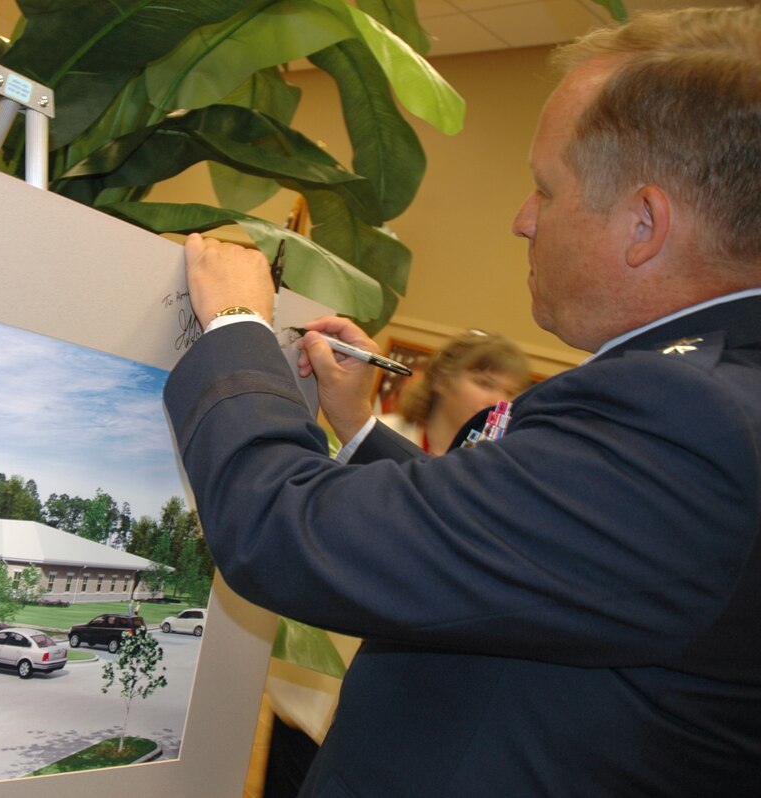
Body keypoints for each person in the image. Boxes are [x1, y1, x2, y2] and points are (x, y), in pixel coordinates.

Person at [163, 6, 761, 796]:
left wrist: (234, 325)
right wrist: (360, 429)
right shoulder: (715, 395)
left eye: (545, 191)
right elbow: (534, 550)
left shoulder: (689, 421)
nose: (521, 221)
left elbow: (282, 533)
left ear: (644, 223)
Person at [379, 330, 530, 455]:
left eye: (510, 392)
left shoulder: (499, 463)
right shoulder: (382, 436)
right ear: (441, 380)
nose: (498, 401)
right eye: (485, 384)